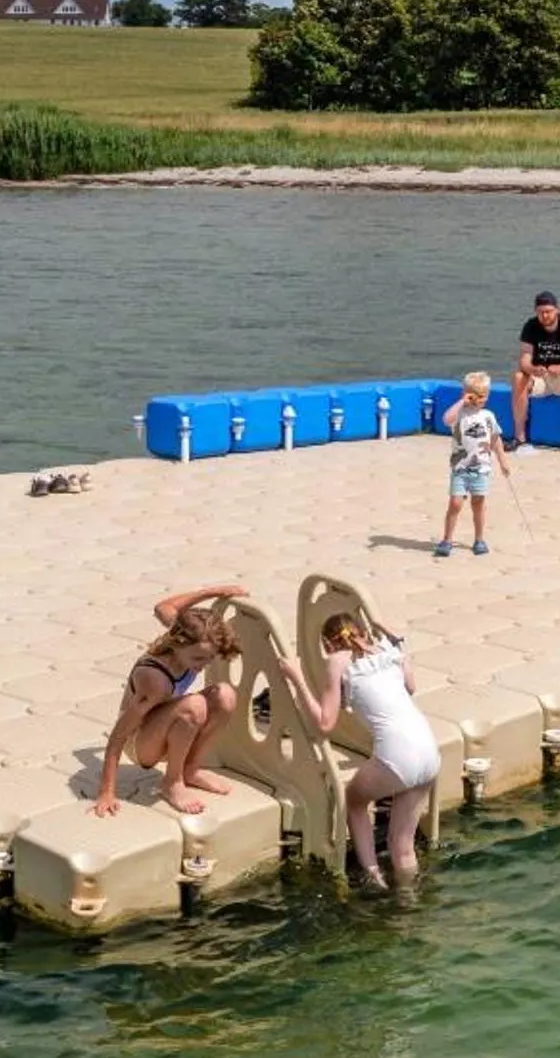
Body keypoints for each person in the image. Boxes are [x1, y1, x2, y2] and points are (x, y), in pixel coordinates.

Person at [279, 611, 441, 887]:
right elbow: (411, 687)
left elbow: (325, 723)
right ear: (364, 634)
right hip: (429, 751)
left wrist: (296, 677)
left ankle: (373, 875)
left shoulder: (337, 662)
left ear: (328, 646)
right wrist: (388, 633)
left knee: (354, 802)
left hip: (397, 756)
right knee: (402, 846)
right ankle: (408, 902)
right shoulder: (389, 649)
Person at [91, 582, 250, 816]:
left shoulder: (184, 631)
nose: (203, 665)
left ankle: (190, 770)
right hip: (139, 744)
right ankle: (172, 782)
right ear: (177, 644)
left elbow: (163, 607)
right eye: (198, 659)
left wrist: (214, 592)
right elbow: (119, 735)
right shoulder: (155, 680)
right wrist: (106, 791)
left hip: (164, 724)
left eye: (209, 659)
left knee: (225, 696)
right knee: (194, 707)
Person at [438, 371, 510, 558]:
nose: (478, 400)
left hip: (481, 468)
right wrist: (463, 401)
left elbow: (495, 439)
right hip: (460, 468)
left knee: (478, 503)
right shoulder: (460, 414)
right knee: (455, 504)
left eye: (483, 396)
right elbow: (446, 419)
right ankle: (447, 539)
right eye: (474, 396)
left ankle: (479, 539)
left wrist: (503, 461)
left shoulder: (488, 416)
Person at [511, 290, 560, 453]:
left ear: (557, 310)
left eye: (548, 312)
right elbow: (524, 358)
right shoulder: (530, 326)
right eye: (541, 312)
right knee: (518, 376)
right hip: (539, 377)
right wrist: (532, 369)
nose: (545, 316)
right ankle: (519, 436)